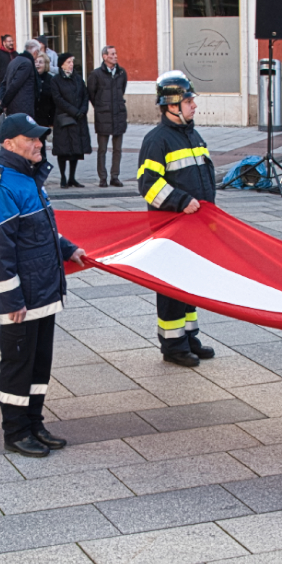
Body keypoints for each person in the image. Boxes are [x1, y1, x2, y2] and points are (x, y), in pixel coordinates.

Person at [0, 113, 89, 458]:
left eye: (40, 137)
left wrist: (68, 248)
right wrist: (11, 300)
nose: (39, 143)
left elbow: (41, 230)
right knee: (18, 365)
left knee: (39, 364)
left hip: (43, 291)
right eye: (31, 139)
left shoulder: (30, 178)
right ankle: (15, 432)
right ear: (9, 144)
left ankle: (34, 423)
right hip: (23, 299)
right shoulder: (0, 187)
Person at [138, 72, 219, 367]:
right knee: (171, 288)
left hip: (194, 228)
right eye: (188, 101)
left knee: (190, 284)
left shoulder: (192, 135)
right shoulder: (157, 140)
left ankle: (189, 337)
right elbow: (148, 185)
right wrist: (181, 201)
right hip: (170, 230)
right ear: (172, 105)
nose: (194, 105)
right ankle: (173, 345)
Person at [88, 45, 130, 187]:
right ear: (104, 56)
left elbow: (122, 90)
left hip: (118, 114)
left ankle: (115, 176)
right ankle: (102, 177)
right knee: (102, 149)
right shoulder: (96, 74)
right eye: (112, 54)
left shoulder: (121, 73)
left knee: (117, 149)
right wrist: (101, 107)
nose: (115, 56)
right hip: (103, 115)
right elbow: (92, 94)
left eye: (116, 53)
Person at [51, 53, 92, 187]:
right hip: (63, 119)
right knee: (63, 150)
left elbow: (85, 95)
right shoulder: (56, 80)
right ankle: (63, 177)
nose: (71, 64)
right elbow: (58, 99)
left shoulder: (78, 78)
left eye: (72, 62)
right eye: (68, 62)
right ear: (62, 64)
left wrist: (83, 110)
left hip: (78, 119)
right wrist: (74, 111)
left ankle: (72, 177)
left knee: (76, 150)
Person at [0, 39, 39, 120]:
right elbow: (14, 85)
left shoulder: (13, 61)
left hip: (12, 108)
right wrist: (3, 103)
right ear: (35, 52)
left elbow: (3, 84)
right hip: (23, 109)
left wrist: (2, 101)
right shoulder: (27, 63)